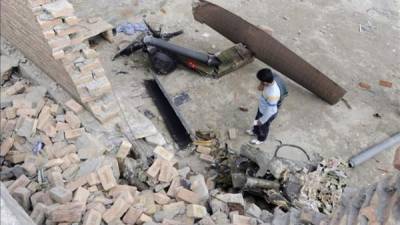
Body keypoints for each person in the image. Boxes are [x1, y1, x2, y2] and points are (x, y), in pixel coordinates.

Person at [246, 68, 288, 145]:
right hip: (262, 108)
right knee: (256, 120)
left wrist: (262, 120)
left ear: (265, 82)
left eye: (260, 81)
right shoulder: (271, 78)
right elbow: (261, 87)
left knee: (263, 127)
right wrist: (262, 86)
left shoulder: (273, 95)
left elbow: (270, 111)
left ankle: (261, 139)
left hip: (267, 113)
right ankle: (255, 131)